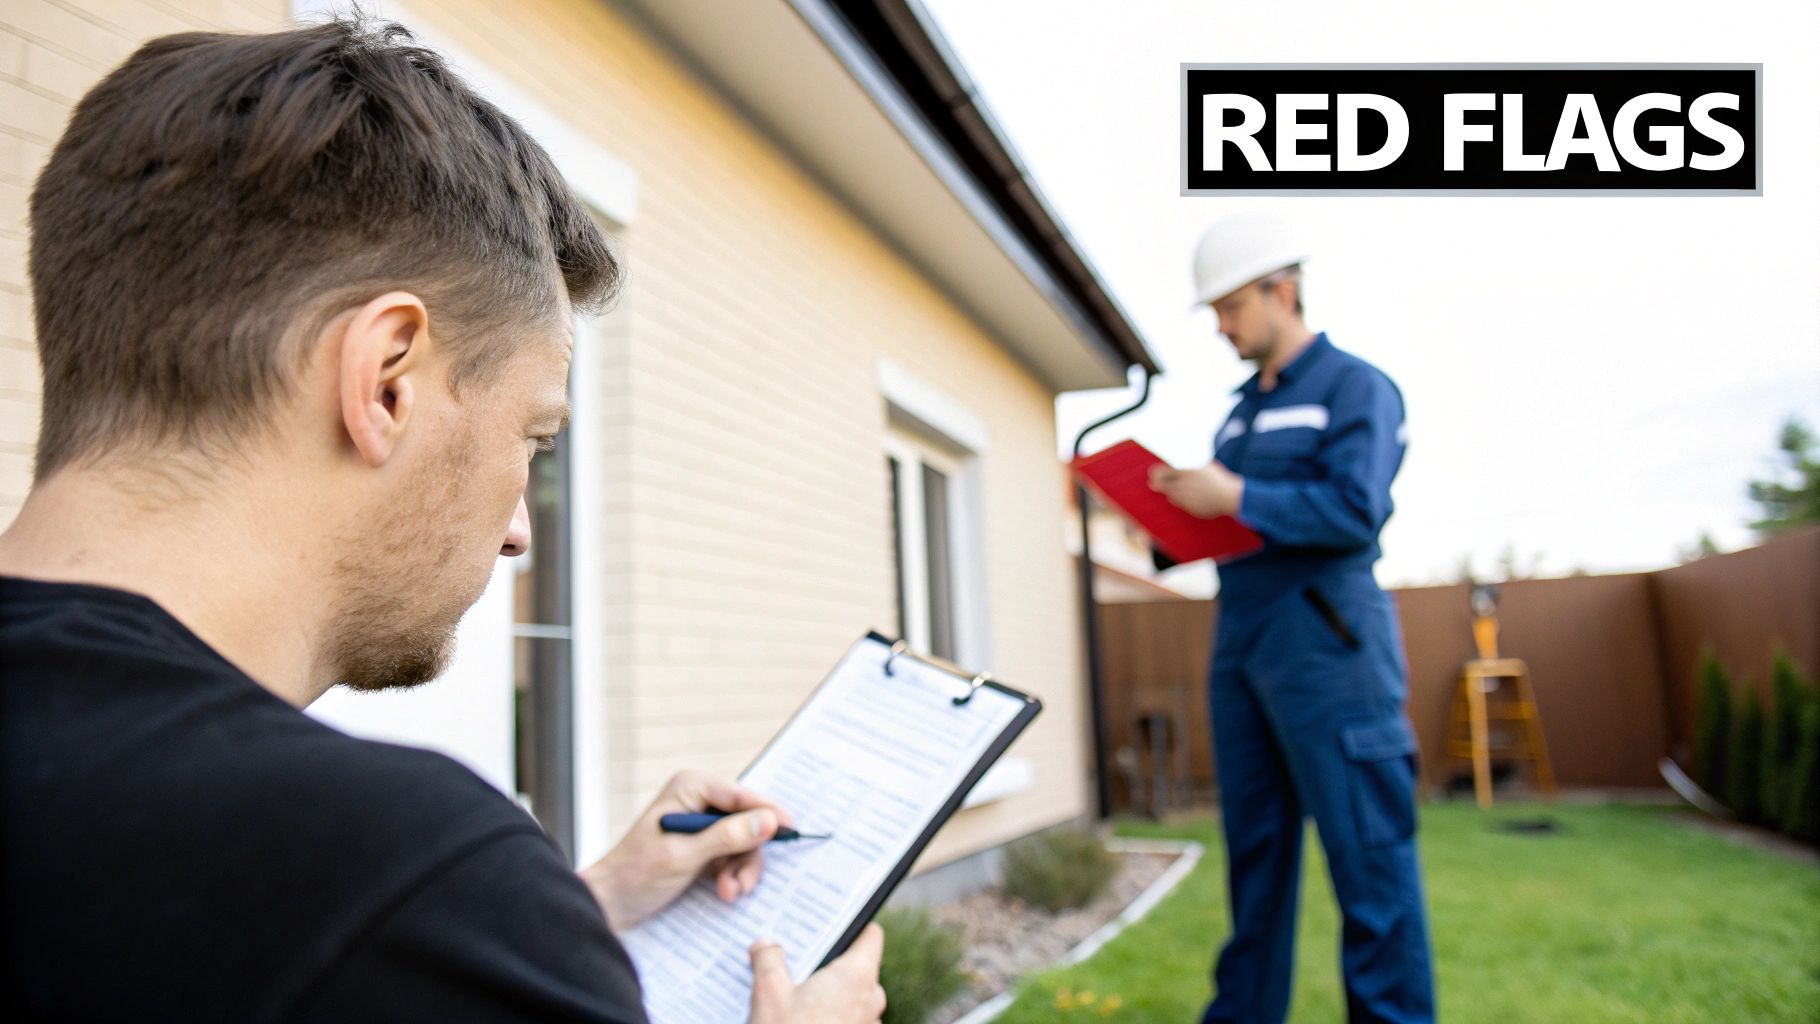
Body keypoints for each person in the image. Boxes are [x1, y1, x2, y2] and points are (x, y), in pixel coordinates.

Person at [0, 19, 885, 1023]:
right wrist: (490, 911)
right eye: (532, 437)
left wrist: (569, 910)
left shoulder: (380, 913)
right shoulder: (395, 867)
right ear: (385, 382)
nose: (519, 531)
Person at [1149, 210, 1434, 1024]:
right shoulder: (1237, 416)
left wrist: (1232, 494)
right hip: (1243, 649)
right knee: (1258, 866)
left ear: (1284, 290)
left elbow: (1355, 508)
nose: (1221, 326)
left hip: (1330, 654)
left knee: (1371, 871)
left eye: (1231, 307)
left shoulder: (1356, 389)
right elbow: (1230, 529)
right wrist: (1170, 522)